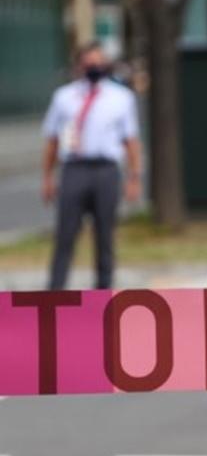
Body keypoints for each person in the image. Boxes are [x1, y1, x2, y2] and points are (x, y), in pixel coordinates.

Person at [40, 42, 142, 290]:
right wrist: (48, 177)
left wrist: (134, 177)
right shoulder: (64, 97)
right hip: (74, 169)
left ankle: (103, 294)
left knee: (105, 235)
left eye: (99, 61)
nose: (94, 66)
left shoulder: (121, 98)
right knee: (66, 233)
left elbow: (131, 141)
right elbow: (52, 140)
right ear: (79, 65)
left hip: (106, 170)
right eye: (88, 62)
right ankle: (54, 295)